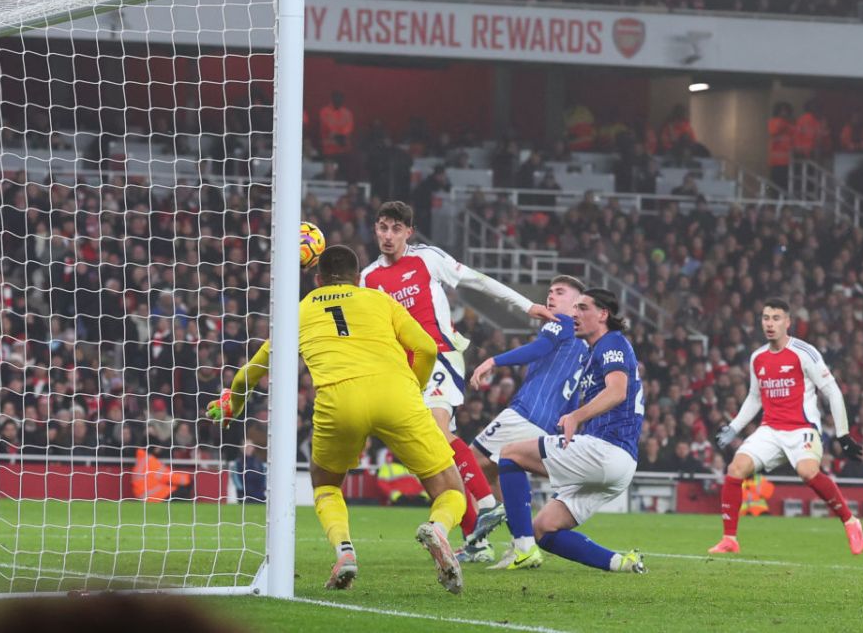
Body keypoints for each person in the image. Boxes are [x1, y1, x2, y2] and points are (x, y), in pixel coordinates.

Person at [209, 245, 467, 593]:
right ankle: (437, 528)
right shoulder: (380, 300)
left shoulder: (299, 310)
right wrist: (413, 387)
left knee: (327, 485)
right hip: (397, 395)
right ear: (358, 277)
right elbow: (428, 348)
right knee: (450, 489)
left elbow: (251, 371)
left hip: (339, 399)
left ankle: (344, 551)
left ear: (318, 279)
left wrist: (234, 403)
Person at [359, 201, 557, 556]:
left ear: (408, 232)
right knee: (429, 455)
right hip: (404, 371)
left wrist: (526, 306)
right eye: (382, 228)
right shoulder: (368, 279)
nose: (388, 236)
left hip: (439, 354)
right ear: (375, 229)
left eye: (395, 229)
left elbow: (479, 281)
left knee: (437, 429)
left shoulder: (427, 258)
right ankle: (475, 541)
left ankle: (486, 505)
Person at [470, 288, 647, 575]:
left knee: (510, 453)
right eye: (574, 308)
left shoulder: (612, 342)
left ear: (603, 314)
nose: (575, 314)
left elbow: (617, 391)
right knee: (545, 528)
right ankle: (622, 563)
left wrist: (576, 416)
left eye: (583, 308)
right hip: (620, 464)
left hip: (605, 450)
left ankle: (523, 548)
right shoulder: (592, 352)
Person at [710, 297, 863, 555]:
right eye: (766, 318)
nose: (770, 324)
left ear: (788, 322)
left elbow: (833, 391)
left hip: (802, 428)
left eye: (776, 318)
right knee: (736, 468)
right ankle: (730, 539)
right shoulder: (757, 358)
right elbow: (754, 397)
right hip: (770, 429)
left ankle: (851, 522)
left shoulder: (804, 352)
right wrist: (733, 428)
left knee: (807, 472)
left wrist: (843, 435)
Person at [462, 275, 588, 567]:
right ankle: (522, 544)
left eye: (560, 292)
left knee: (467, 463)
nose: (551, 296)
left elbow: (537, 350)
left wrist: (493, 361)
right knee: (496, 472)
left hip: (526, 412)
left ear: (576, 305)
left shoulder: (562, 323)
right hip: (545, 422)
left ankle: (480, 539)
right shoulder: (584, 345)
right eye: (550, 292)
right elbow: (572, 395)